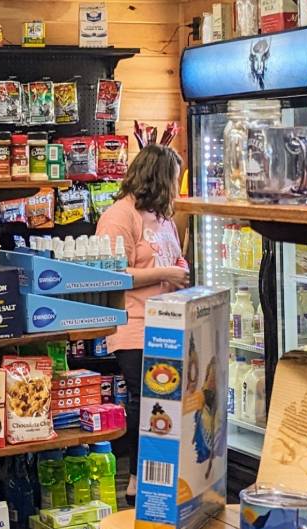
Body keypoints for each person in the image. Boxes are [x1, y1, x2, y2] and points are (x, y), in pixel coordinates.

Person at [95, 144, 189, 505]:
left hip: (167, 322)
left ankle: (157, 475)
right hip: (133, 324)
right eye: (173, 179)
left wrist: (180, 266)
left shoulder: (162, 218)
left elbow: (173, 256)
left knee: (162, 400)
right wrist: (167, 273)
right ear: (158, 178)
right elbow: (111, 274)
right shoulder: (120, 216)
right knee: (143, 399)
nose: (176, 188)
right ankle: (136, 478)